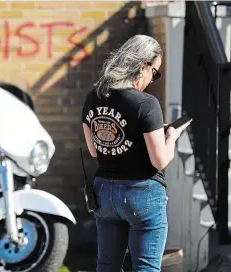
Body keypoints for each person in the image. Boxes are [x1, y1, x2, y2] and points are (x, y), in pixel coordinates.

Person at [81, 34, 191, 272]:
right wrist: (170, 137)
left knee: (107, 266)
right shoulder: (145, 103)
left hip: (105, 192)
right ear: (142, 67)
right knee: (146, 267)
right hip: (142, 193)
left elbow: (94, 149)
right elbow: (159, 160)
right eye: (155, 72)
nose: (153, 79)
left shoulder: (94, 96)